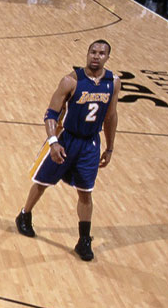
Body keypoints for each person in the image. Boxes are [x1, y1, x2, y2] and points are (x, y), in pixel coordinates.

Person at [15, 40, 120, 262]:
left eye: (101, 53)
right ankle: (24, 214)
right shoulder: (70, 81)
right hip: (67, 140)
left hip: (90, 144)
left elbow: (111, 116)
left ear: (108, 57)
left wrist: (110, 147)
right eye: (93, 52)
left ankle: (84, 240)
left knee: (86, 192)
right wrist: (53, 142)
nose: (96, 56)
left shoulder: (114, 82)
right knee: (42, 182)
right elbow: (51, 114)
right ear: (87, 53)